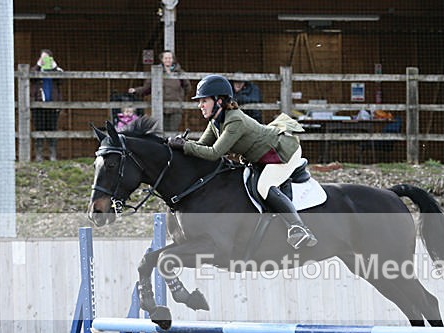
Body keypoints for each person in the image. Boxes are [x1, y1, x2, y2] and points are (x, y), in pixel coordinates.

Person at [168, 74, 317, 249]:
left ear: (219, 101)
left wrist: (185, 146)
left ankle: (299, 227)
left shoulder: (234, 120)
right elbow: (200, 147)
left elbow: (214, 153)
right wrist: (180, 147)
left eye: (204, 101)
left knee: (264, 186)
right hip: (263, 157)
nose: (200, 105)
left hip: (282, 153)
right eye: (199, 101)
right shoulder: (216, 122)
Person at [129, 50, 189, 135]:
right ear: (162, 59)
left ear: (173, 59)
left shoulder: (179, 72)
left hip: (176, 108)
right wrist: (136, 90)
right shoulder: (157, 72)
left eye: (170, 58)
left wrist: (180, 96)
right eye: (166, 58)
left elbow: (187, 87)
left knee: (173, 131)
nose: (168, 60)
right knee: (160, 132)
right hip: (160, 108)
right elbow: (147, 88)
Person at [30, 49, 63, 161]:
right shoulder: (36, 70)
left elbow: (60, 79)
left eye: (47, 58)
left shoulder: (57, 70)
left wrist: (54, 66)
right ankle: (38, 155)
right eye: (42, 57)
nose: (45, 60)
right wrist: (39, 65)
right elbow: (31, 76)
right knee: (39, 128)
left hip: (52, 106)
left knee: (52, 129)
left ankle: (52, 155)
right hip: (39, 105)